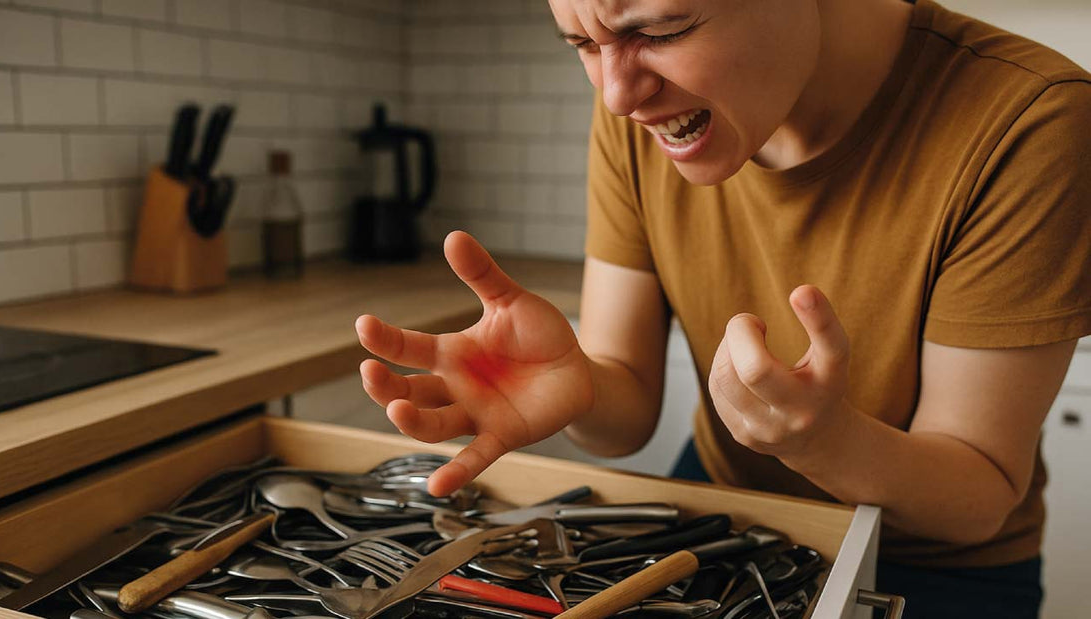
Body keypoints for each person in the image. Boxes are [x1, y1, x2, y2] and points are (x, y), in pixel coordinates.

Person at [354, 0, 1091, 616]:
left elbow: (976, 499)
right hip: (722, 510)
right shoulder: (641, 110)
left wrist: (823, 441)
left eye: (662, 29)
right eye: (583, 42)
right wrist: (577, 378)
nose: (616, 94)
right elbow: (626, 406)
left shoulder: (1028, 120)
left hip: (934, 563)